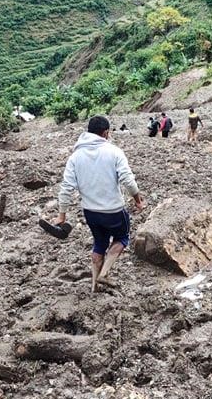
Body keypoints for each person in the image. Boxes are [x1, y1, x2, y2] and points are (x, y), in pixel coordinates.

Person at [54, 116, 145, 293]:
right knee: (121, 238)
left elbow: (66, 188)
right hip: (114, 211)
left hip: (90, 212)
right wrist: (138, 201)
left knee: (99, 244)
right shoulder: (114, 151)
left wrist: (61, 215)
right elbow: (128, 179)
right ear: (105, 133)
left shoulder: (75, 157)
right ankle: (104, 273)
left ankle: (94, 286)